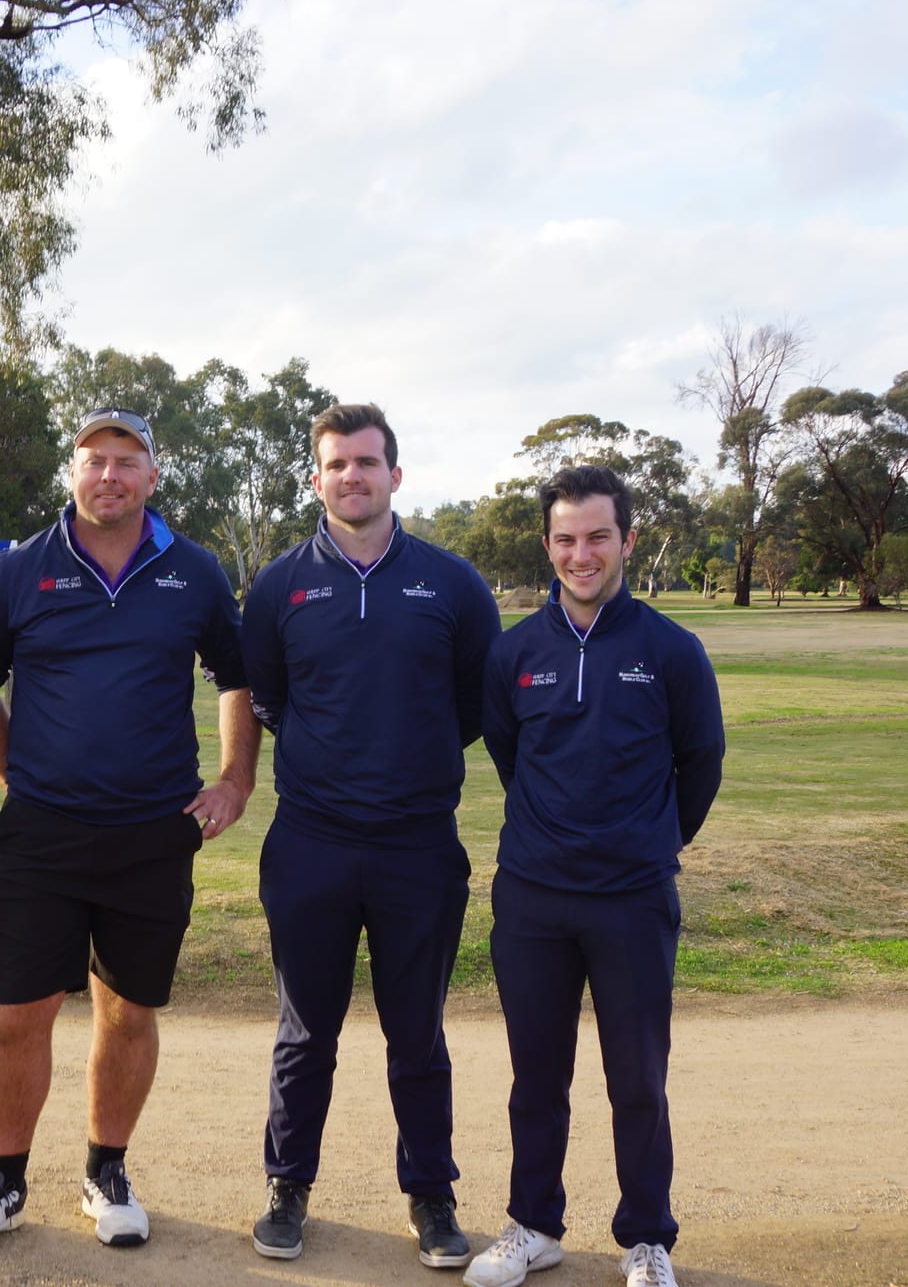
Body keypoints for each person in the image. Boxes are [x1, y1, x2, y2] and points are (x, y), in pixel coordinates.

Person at [0, 407, 260, 1258]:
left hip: (152, 835)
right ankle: (4, 1179)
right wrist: (20, 774)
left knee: (127, 1012)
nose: (109, 474)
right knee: (17, 1014)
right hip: (41, 838)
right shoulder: (21, 570)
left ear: (153, 476)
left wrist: (235, 778)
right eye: (94, 459)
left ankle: (105, 1170)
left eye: (127, 460)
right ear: (71, 472)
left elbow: (237, 675)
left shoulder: (192, 570)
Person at [239, 403, 500, 1269]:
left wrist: (410, 758)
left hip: (418, 845)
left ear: (396, 474)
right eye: (336, 463)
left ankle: (432, 1195)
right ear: (316, 478)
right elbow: (269, 697)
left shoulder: (452, 583)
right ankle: (287, 1185)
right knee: (305, 1030)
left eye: (368, 461)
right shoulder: (279, 585)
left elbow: (474, 703)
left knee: (415, 1031)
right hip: (311, 841)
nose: (353, 475)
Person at [467, 465, 724, 1287]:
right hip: (534, 895)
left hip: (633, 897)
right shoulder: (514, 651)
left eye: (598, 537)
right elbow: (511, 755)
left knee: (637, 1078)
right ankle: (534, 1224)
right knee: (536, 1074)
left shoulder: (671, 650)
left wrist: (652, 840)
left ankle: (646, 1237)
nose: (582, 554)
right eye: (567, 539)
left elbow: (701, 762)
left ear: (627, 541)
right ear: (548, 545)